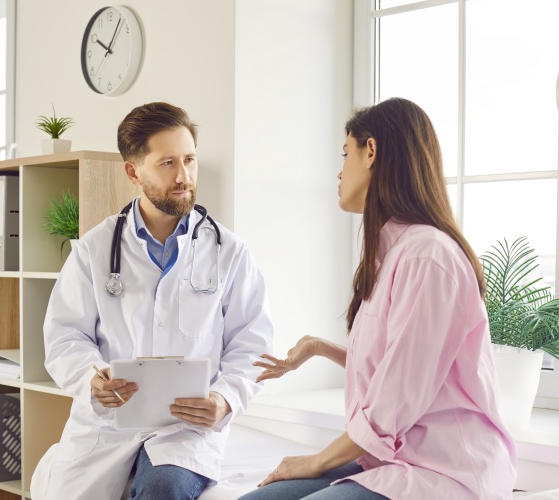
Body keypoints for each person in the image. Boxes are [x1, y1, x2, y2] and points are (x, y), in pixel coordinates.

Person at [240, 98, 516, 500]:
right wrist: (320, 348)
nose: (339, 170)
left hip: (444, 474)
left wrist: (316, 460)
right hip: (394, 462)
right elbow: (400, 369)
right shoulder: (393, 253)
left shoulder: (427, 257)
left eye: (345, 153)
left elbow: (394, 401)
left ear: (371, 151)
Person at [31, 102, 274, 500]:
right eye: (167, 164)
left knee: (163, 488)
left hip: (187, 427)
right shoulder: (95, 250)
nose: (184, 177)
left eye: (190, 160)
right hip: (108, 425)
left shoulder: (229, 251)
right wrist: (91, 379)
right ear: (133, 171)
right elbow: (64, 336)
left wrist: (225, 399)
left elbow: (253, 344)